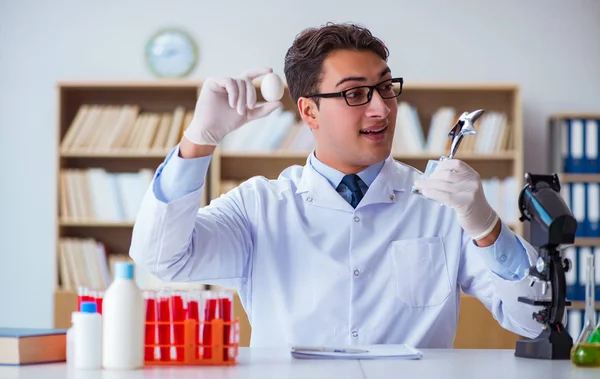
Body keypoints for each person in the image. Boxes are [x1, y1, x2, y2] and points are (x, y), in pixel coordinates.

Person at [130, 22, 544, 348]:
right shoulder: (258, 206)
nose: (381, 108)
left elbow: (534, 320)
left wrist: (487, 227)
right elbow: (162, 259)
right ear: (309, 111)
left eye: (385, 87)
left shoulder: (442, 205)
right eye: (355, 94)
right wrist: (198, 140)